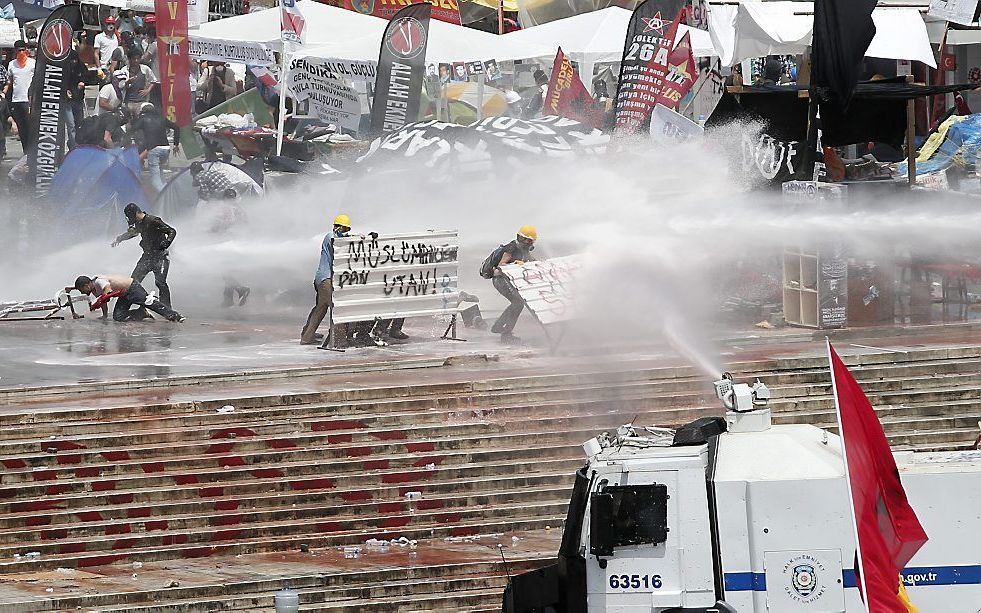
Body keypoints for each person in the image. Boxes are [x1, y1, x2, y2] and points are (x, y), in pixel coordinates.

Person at [111, 203, 177, 308]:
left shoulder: (153, 220)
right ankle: (124, 308)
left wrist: (168, 241)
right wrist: (120, 238)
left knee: (160, 283)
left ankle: (167, 309)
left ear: (136, 212)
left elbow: (171, 231)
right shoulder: (139, 224)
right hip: (147, 257)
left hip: (160, 256)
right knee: (133, 281)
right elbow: (132, 233)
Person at [300, 214, 351, 346]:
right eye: (344, 229)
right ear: (337, 227)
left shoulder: (339, 238)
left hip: (323, 279)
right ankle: (339, 340)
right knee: (337, 308)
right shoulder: (331, 237)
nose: (346, 232)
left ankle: (307, 337)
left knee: (321, 308)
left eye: (347, 229)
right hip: (325, 280)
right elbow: (339, 243)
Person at [482, 225, 537, 345]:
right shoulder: (511, 248)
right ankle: (504, 332)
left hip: (507, 280)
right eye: (528, 240)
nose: (530, 243)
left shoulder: (524, 249)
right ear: (521, 238)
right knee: (518, 303)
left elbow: (530, 259)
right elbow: (501, 265)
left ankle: (501, 328)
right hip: (500, 280)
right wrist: (516, 265)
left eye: (532, 241)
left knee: (518, 303)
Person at [70, 274, 184, 322]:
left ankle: (175, 316)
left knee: (149, 303)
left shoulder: (99, 281)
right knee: (118, 317)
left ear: (86, 285)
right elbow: (104, 301)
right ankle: (142, 314)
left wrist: (102, 298)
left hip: (132, 288)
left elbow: (107, 289)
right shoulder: (93, 289)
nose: (82, 292)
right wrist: (104, 315)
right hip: (123, 294)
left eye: (81, 290)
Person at [131, 102, 180, 191]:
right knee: (160, 172)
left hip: (154, 150)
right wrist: (176, 144)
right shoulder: (162, 118)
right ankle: (168, 190)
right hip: (166, 149)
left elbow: (132, 129)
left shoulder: (143, 119)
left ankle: (163, 196)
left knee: (155, 179)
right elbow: (177, 127)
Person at [5, 40, 34, 150]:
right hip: (16, 100)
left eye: (23, 50)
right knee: (21, 129)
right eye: (19, 50)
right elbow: (10, 81)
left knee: (29, 127)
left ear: (26, 50)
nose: (21, 52)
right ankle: (25, 151)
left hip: (28, 100)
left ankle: (31, 151)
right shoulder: (12, 64)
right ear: (15, 51)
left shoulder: (32, 63)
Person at [120, 48, 156, 118]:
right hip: (128, 102)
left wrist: (148, 90)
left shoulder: (145, 69)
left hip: (141, 102)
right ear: (129, 59)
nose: (136, 61)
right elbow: (120, 87)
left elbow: (154, 80)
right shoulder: (124, 70)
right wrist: (127, 82)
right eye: (134, 59)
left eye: (138, 59)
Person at [64, 48, 87, 150]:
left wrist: (83, 82)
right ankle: (74, 146)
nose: (73, 62)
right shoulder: (64, 68)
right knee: (71, 124)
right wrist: (65, 90)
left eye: (75, 60)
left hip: (78, 100)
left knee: (80, 123)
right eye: (71, 60)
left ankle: (79, 143)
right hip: (68, 101)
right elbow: (61, 82)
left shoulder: (81, 66)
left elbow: (87, 77)